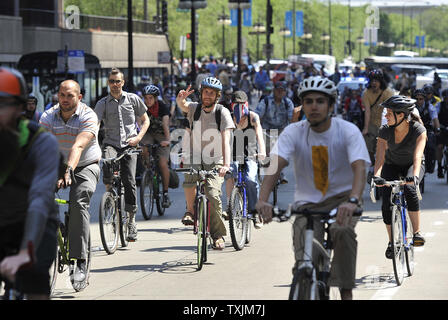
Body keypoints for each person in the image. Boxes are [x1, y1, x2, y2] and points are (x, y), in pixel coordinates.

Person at [256, 76, 370, 300]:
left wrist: (353, 200)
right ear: (302, 105)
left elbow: (360, 169)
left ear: (331, 105)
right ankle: (306, 279)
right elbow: (274, 168)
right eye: (308, 101)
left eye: (320, 101)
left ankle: (345, 291)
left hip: (343, 200)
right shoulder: (293, 132)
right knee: (304, 251)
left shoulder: (347, 131)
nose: (314, 106)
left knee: (342, 231)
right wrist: (262, 200)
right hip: (307, 204)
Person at [0, 67, 60, 299]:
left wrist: (25, 250)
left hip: (35, 221)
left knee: (33, 278)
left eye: (2, 105)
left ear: (19, 108)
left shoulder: (41, 142)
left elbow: (40, 198)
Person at [39, 80, 101, 291]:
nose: (65, 100)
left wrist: (68, 171)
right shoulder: (48, 116)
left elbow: (79, 145)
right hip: (56, 163)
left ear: (79, 97)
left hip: (85, 164)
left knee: (78, 201)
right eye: (62, 95)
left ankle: (80, 260)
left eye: (70, 96)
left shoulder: (88, 116)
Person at [176, 77, 235, 250]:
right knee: (189, 179)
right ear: (201, 93)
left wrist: (226, 164)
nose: (207, 95)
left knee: (212, 193)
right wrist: (180, 99)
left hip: (216, 159)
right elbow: (183, 106)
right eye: (205, 92)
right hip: (196, 156)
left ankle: (217, 235)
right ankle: (190, 210)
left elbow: (226, 140)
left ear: (217, 96)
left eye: (211, 93)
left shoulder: (222, 112)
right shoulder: (195, 108)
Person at [94, 68, 150, 242]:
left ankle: (131, 220)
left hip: (129, 145)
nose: (115, 85)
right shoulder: (102, 103)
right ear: (108, 83)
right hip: (111, 143)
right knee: (108, 168)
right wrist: (94, 143)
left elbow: (145, 120)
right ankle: (110, 199)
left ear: (123, 82)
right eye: (112, 81)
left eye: (118, 81)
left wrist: (138, 137)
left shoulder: (133, 99)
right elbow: (96, 123)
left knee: (130, 180)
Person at [372, 95, 427, 259]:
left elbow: (418, 156)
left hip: (413, 165)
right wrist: (376, 177)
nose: (386, 116)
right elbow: (380, 157)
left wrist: (415, 177)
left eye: (389, 113)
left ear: (401, 115)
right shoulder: (385, 131)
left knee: (410, 190)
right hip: (391, 165)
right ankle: (391, 242)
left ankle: (416, 233)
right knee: (386, 202)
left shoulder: (418, 130)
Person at [224, 91, 266, 229]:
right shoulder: (228, 118)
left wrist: (262, 151)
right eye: (236, 104)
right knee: (229, 174)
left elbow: (259, 134)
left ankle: (255, 212)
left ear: (246, 104)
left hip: (251, 155)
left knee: (250, 179)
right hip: (233, 154)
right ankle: (230, 206)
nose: (239, 107)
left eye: (242, 104)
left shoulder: (253, 117)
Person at [254, 80, 294, 184]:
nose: (280, 93)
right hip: (267, 131)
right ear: (274, 90)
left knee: (280, 155)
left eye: (282, 91)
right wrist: (254, 122)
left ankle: (280, 174)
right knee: (266, 157)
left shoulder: (288, 103)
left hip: (282, 131)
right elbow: (258, 114)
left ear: (285, 92)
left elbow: (291, 118)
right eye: (278, 90)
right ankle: (270, 173)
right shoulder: (266, 101)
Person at [140, 84, 171, 208]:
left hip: (161, 135)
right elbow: (138, 123)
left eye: (150, 98)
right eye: (146, 98)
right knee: (143, 148)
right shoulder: (142, 107)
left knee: (163, 164)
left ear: (156, 98)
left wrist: (168, 140)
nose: (148, 101)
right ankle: (148, 170)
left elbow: (165, 125)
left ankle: (165, 193)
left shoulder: (162, 107)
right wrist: (136, 138)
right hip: (147, 134)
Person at [362, 69, 394, 178]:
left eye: (376, 80)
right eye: (372, 80)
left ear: (381, 82)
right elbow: (367, 111)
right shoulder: (366, 93)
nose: (374, 83)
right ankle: (372, 168)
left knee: (386, 149)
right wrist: (366, 128)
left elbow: (391, 110)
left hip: (385, 124)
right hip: (372, 124)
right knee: (369, 148)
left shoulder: (388, 92)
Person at [413, 88, 440, 174]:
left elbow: (435, 119)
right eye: (416, 99)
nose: (418, 101)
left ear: (424, 99)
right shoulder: (411, 107)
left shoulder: (430, 107)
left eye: (421, 99)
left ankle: (429, 165)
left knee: (430, 146)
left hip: (427, 130)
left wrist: (438, 128)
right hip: (414, 130)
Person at [435, 89, 448, 178]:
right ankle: (439, 167)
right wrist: (438, 127)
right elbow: (435, 116)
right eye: (446, 98)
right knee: (439, 147)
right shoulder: (439, 105)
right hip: (442, 129)